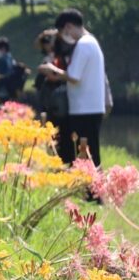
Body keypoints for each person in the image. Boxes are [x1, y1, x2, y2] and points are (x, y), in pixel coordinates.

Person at [38, 9, 112, 167]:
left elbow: (73, 76)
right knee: (87, 154)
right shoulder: (91, 42)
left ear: (68, 27)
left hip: (85, 110)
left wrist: (51, 69)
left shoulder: (83, 45)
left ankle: (93, 191)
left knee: (87, 155)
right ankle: (91, 190)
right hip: (89, 108)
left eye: (61, 31)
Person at [34, 29, 76, 163]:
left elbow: (58, 77)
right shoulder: (56, 55)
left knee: (62, 136)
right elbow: (36, 44)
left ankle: (62, 162)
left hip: (60, 103)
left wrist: (50, 72)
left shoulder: (65, 55)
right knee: (55, 134)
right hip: (53, 102)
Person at [0, 37, 16, 106]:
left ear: (3, 48)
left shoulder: (2, 60)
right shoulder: (12, 60)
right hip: (10, 91)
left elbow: (0, 75)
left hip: (1, 92)